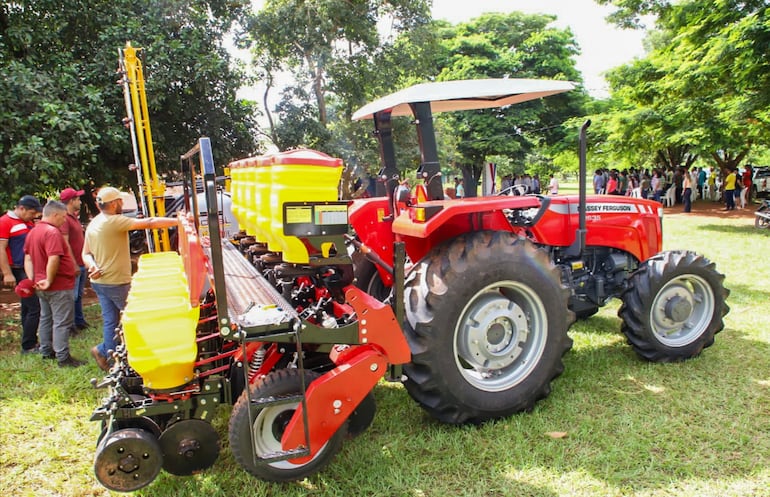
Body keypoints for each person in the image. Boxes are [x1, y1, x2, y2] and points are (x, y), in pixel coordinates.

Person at [83, 187, 178, 371]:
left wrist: (92, 265)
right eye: (120, 201)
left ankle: (106, 354)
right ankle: (147, 357)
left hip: (100, 283)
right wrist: (178, 221)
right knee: (138, 319)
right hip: (116, 282)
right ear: (113, 204)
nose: (122, 204)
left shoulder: (94, 223)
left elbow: (85, 254)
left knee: (111, 321)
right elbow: (149, 223)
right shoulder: (113, 221)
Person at [23, 201, 84, 367]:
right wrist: (49, 279)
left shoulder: (33, 232)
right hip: (58, 285)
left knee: (46, 318)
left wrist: (32, 279)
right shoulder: (52, 232)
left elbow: (28, 258)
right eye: (63, 217)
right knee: (62, 322)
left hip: (40, 284)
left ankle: (46, 350)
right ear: (55, 215)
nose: (64, 221)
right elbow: (53, 257)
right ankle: (63, 357)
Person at [0, 195, 43, 354]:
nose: (34, 216)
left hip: (28, 267)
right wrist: (7, 273)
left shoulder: (27, 222)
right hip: (18, 269)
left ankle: (29, 341)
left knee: (27, 307)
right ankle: (29, 345)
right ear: (21, 208)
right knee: (34, 307)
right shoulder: (5, 222)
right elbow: (1, 248)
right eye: (32, 212)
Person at [59, 187, 89, 334]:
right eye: (77, 199)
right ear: (71, 201)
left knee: (78, 295)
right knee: (72, 296)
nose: (80, 201)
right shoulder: (64, 219)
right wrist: (73, 264)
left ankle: (79, 321)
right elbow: (65, 243)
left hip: (80, 262)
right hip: (74, 264)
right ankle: (70, 326)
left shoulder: (73, 217)